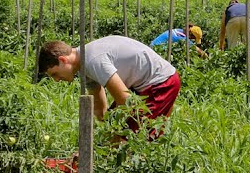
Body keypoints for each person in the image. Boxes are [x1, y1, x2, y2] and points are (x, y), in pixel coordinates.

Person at [38, 36, 180, 135]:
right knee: (117, 132)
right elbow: (100, 109)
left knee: (136, 137)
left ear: (63, 60)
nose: (56, 80)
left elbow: (125, 101)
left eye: (54, 74)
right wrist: (98, 139)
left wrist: (112, 138)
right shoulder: (83, 65)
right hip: (139, 87)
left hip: (161, 83)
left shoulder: (93, 61)